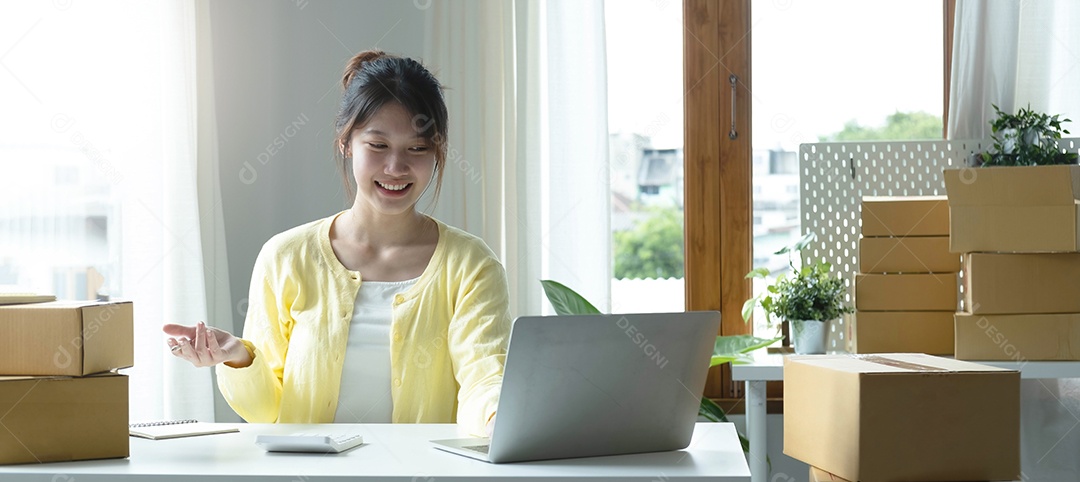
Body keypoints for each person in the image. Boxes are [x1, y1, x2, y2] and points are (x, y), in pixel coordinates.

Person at [163, 50, 510, 436]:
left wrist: (501, 419)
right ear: (347, 143)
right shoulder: (286, 257)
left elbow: (484, 377)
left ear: (438, 151)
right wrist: (240, 358)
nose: (396, 168)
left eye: (417, 148)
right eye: (377, 146)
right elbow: (263, 410)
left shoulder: (471, 264)